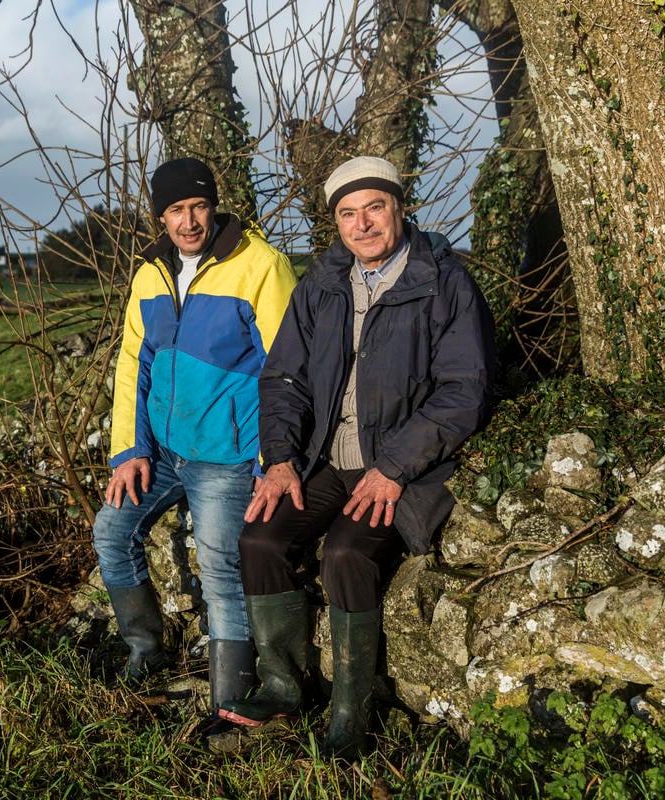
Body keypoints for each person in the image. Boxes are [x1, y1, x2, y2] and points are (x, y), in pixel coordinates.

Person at [218, 156, 495, 759]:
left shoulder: (444, 281)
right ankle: (284, 686)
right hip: (322, 459)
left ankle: (351, 712)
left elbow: (463, 391)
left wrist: (395, 465)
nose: (362, 223)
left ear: (401, 208)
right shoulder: (321, 285)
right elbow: (283, 379)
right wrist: (283, 459)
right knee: (259, 539)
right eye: (348, 213)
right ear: (335, 222)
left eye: (374, 207)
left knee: (346, 553)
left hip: (404, 466)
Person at [92, 157, 298, 718]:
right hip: (162, 452)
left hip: (230, 457)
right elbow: (134, 363)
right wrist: (131, 450)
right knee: (110, 531)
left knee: (220, 566)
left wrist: (272, 459)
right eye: (176, 210)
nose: (189, 221)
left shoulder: (260, 265)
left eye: (199, 207)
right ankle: (145, 654)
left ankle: (228, 698)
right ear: (160, 217)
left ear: (214, 207)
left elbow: (287, 370)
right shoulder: (150, 274)